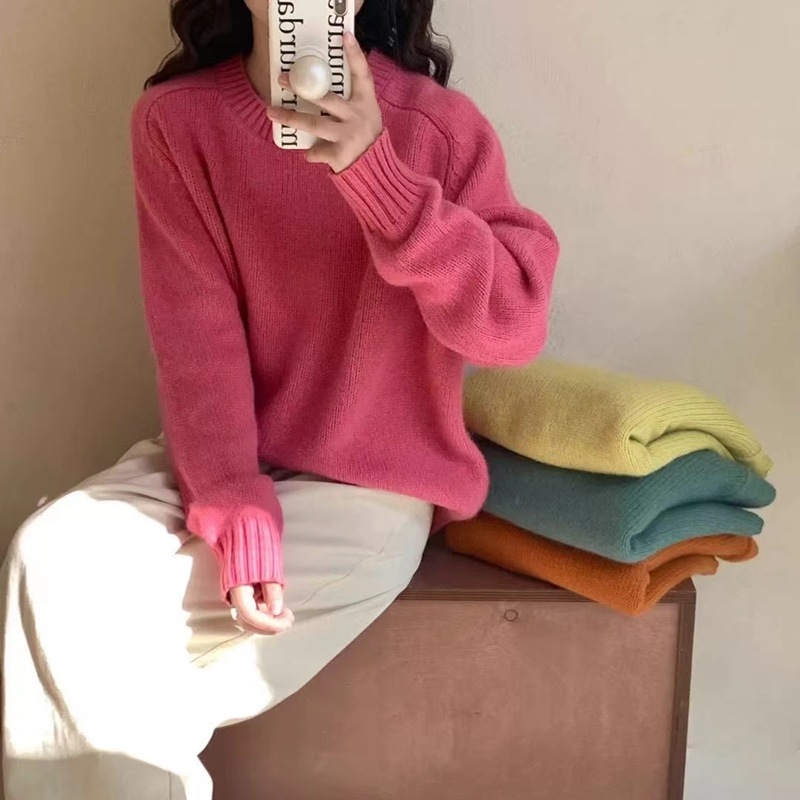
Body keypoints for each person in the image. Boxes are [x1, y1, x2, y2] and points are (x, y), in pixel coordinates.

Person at [0, 0, 559, 797]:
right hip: (213, 466)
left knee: (100, 671)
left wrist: (380, 177)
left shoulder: (439, 128)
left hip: (371, 491)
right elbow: (197, 345)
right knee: (50, 554)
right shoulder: (178, 123)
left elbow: (513, 331)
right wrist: (233, 503)